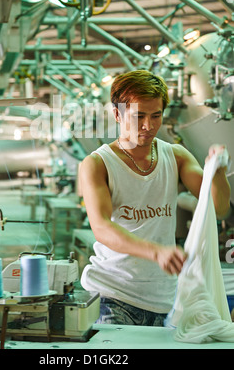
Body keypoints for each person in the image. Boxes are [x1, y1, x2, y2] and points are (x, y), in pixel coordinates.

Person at [79, 69, 230, 327]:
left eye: (156, 115)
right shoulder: (98, 164)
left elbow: (219, 207)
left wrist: (217, 172)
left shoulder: (177, 156)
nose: (149, 126)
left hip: (166, 296)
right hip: (114, 294)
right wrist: (156, 252)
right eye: (139, 116)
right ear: (117, 114)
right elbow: (102, 227)